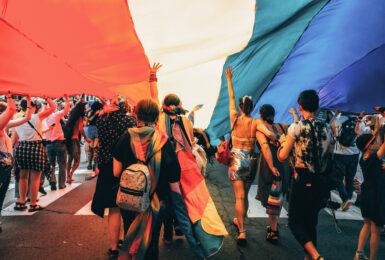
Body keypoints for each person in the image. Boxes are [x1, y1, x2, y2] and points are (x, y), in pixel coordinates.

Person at [113, 98, 181, 260]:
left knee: (130, 233)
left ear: (136, 115)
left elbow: (116, 172)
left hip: (130, 199)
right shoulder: (163, 141)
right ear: (157, 117)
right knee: (151, 241)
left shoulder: (126, 137)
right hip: (156, 201)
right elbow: (174, 177)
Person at [278, 90, 333, 260]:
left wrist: (282, 144)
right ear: (317, 107)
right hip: (319, 180)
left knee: (295, 222)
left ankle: (316, 256)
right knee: (311, 224)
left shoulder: (297, 127)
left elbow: (283, 156)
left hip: (301, 178)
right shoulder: (327, 128)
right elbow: (330, 154)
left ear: (300, 107)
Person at [224, 66, 275, 244]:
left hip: (236, 159)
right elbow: (269, 134)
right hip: (251, 161)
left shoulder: (234, 118)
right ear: (253, 108)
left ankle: (242, 231)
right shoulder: (255, 122)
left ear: (240, 107)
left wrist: (229, 80)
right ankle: (241, 222)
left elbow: (230, 98)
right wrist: (278, 138)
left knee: (238, 197)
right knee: (244, 196)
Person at [91, 95, 137, 259]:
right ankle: (125, 240)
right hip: (126, 167)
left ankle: (113, 247)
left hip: (106, 167)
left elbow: (90, 118)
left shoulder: (102, 120)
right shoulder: (130, 121)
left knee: (113, 207)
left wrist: (104, 109)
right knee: (128, 206)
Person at [255, 104, 291, 244]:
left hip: (270, 166)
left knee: (271, 198)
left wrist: (270, 166)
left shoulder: (260, 131)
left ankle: (274, 231)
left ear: (260, 116)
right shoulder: (283, 127)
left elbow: (265, 148)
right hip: (284, 164)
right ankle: (272, 225)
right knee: (279, 195)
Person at [14, 97, 55, 212]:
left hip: (22, 147)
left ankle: (21, 202)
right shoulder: (37, 117)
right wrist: (46, 97)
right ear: (31, 107)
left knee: (22, 177)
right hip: (36, 147)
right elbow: (53, 108)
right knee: (35, 178)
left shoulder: (17, 119)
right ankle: (33, 204)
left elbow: (15, 136)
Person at [353, 124, 385, 260]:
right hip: (375, 195)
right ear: (369, 146)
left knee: (366, 224)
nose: (378, 142)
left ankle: (359, 252)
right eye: (375, 141)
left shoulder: (364, 157)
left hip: (366, 194)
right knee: (375, 230)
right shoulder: (373, 158)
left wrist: (377, 130)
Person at [0, 94, 32, 231]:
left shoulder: (4, 127)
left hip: (5, 167)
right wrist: (9, 94)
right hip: (1, 167)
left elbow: (27, 118)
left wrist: (29, 101)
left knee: (2, 194)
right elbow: (12, 109)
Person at [330, 111, 360, 211]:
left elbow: (331, 125)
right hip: (354, 153)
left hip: (341, 153)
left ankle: (345, 198)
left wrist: (335, 114)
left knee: (337, 178)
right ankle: (347, 201)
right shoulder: (359, 121)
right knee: (350, 178)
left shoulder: (341, 118)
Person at [45, 95, 70, 190]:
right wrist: (66, 99)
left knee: (51, 165)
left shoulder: (42, 118)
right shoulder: (56, 115)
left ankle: (52, 182)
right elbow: (66, 110)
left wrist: (52, 101)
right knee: (62, 164)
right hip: (59, 142)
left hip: (49, 144)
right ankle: (61, 184)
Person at [63, 100, 91, 184]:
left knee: (70, 159)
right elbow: (81, 128)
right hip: (74, 139)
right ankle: (70, 174)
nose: (85, 109)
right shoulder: (79, 117)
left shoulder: (71, 115)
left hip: (68, 139)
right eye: (84, 108)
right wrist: (86, 138)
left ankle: (68, 177)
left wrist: (80, 100)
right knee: (77, 160)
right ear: (81, 109)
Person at [85, 100, 103, 171]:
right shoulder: (100, 112)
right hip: (98, 128)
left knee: (90, 147)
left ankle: (89, 164)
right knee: (96, 147)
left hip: (90, 128)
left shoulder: (88, 112)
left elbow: (86, 122)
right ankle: (95, 164)